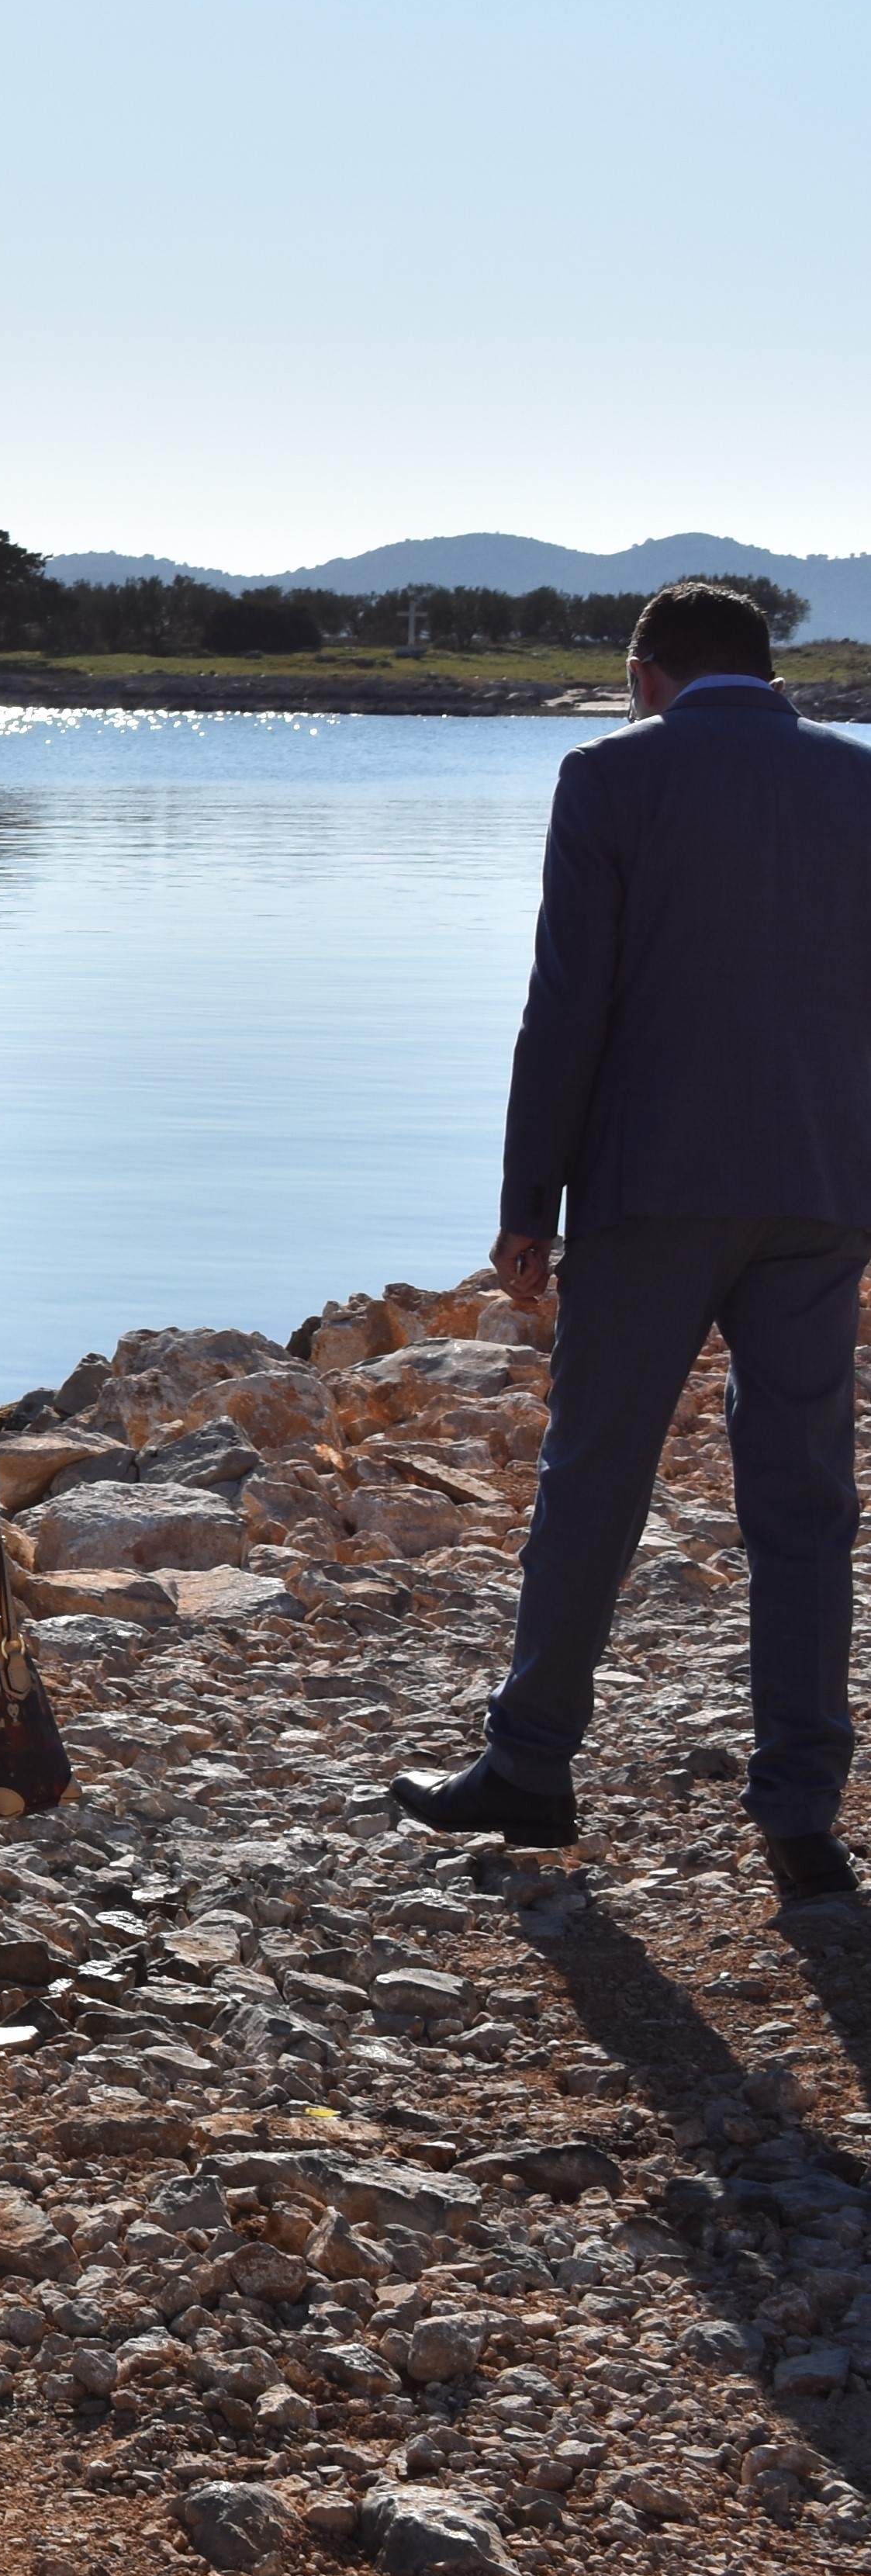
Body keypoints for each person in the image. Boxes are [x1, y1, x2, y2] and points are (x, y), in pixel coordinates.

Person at [392, 582, 871, 1908]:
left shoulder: (608, 776)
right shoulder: (856, 781)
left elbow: (566, 1002)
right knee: (804, 1499)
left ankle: (528, 1767)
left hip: (649, 1186)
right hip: (821, 1187)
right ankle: (801, 1817)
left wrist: (525, 1202)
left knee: (594, 1476)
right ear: (770, 676)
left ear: (642, 674)